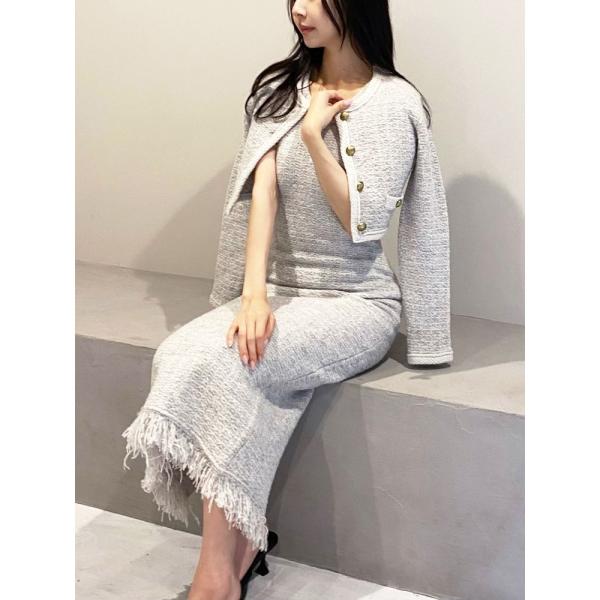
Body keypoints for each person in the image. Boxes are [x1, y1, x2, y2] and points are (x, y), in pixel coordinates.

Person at [121, 1, 453, 599]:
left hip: (355, 301)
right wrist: (253, 296)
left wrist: (312, 136)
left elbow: (362, 224)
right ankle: (244, 546)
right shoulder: (278, 90)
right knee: (182, 354)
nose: (299, 8)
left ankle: (215, 578)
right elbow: (263, 196)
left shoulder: (396, 104)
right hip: (276, 289)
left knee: (234, 364)